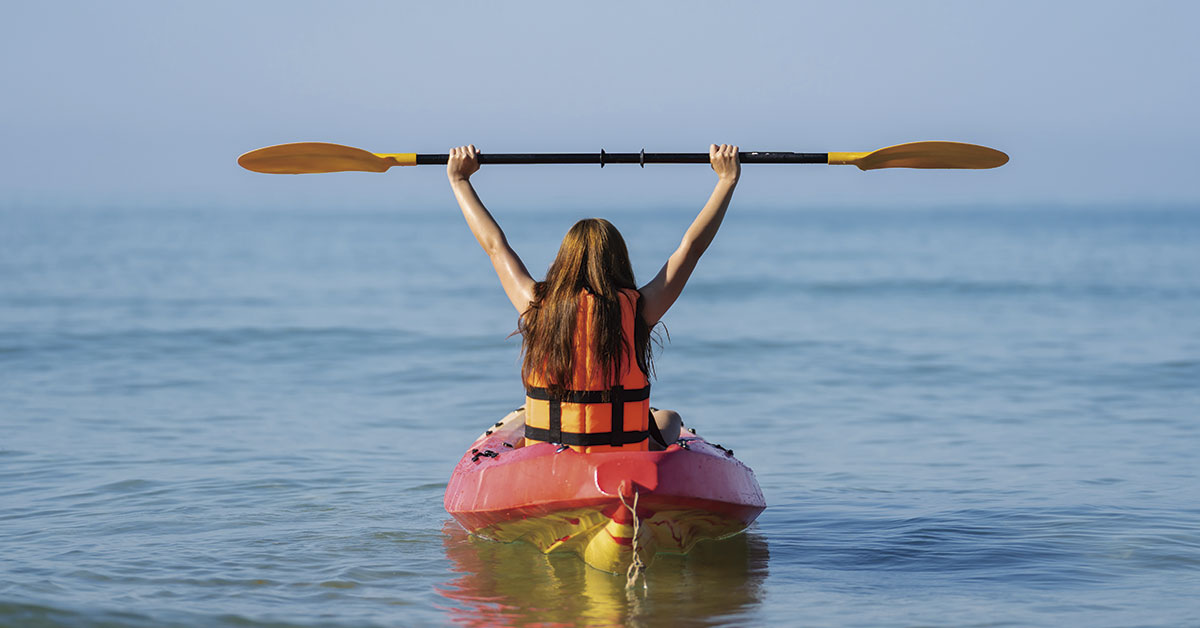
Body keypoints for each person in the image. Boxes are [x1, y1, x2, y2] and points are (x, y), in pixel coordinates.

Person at [448, 144, 740, 452]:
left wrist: (460, 181)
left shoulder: (535, 305)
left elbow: (496, 246)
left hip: (548, 459)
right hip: (621, 461)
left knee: (522, 424)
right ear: (619, 263)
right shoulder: (639, 309)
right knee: (669, 419)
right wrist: (726, 180)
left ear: (564, 263)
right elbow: (691, 249)